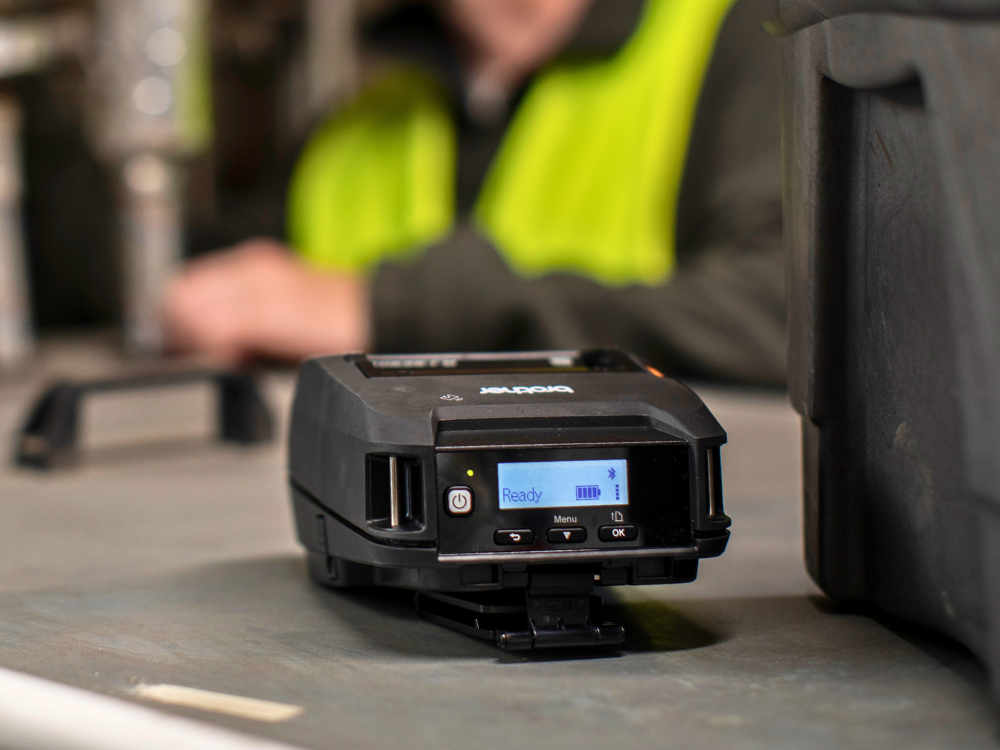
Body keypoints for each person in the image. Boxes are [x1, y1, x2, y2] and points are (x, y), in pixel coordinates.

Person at [163, 0, 785, 385]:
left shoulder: (748, 32)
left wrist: (395, 316)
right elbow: (217, 293)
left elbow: (784, 320)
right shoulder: (351, 130)